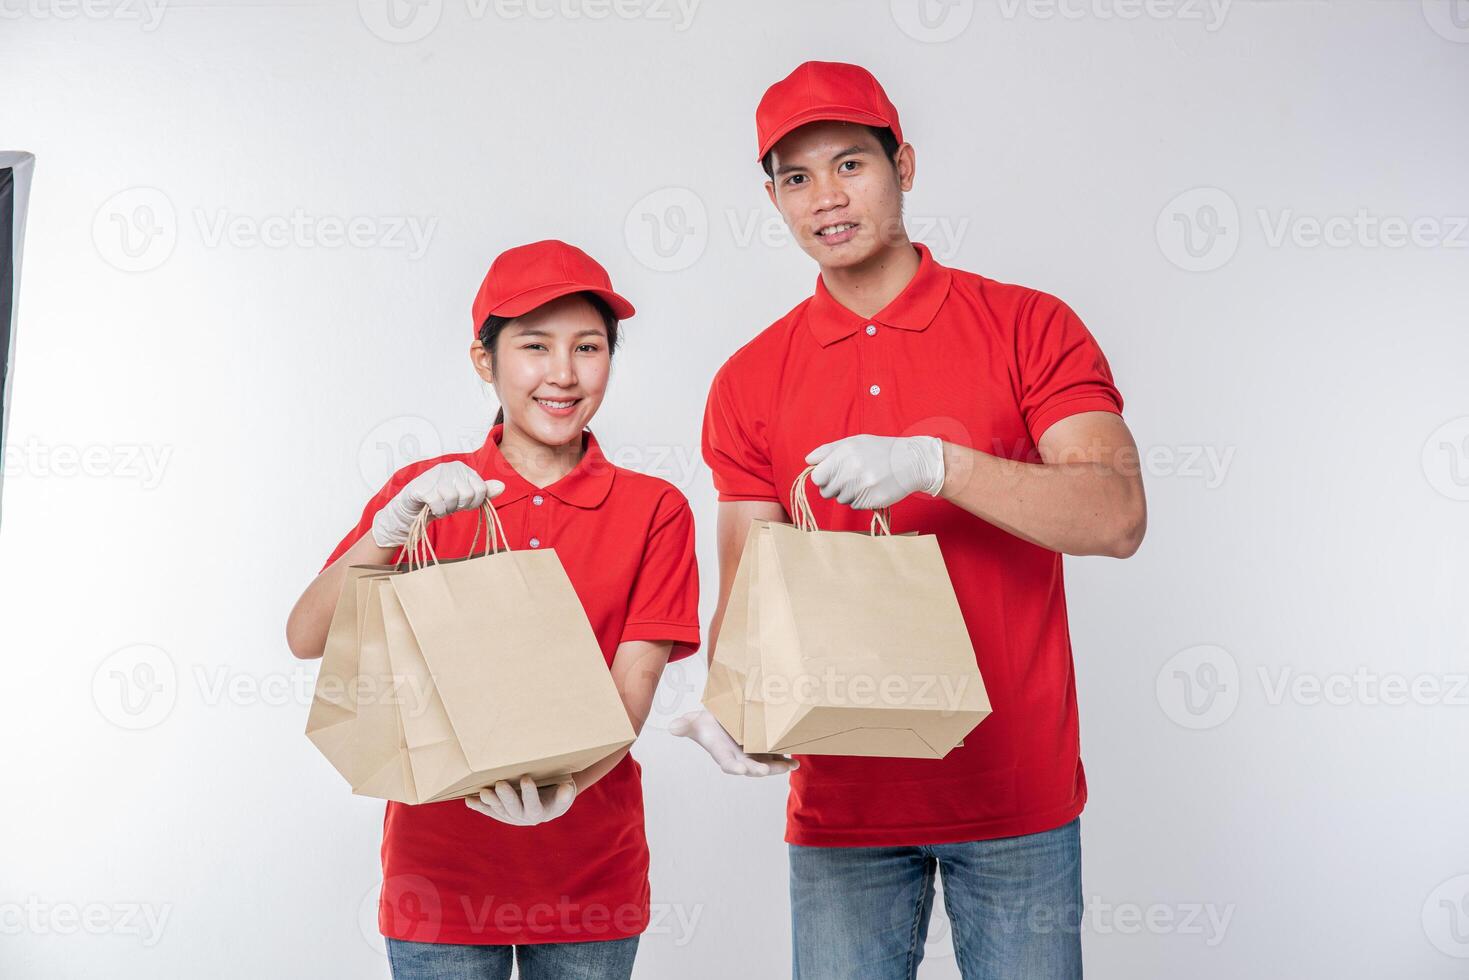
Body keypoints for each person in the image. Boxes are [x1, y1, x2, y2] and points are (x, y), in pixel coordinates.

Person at [671, 62, 1147, 979]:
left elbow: (1115, 514)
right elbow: (751, 580)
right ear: (772, 199)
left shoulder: (1028, 326)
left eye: (851, 164)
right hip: (843, 810)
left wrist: (938, 464)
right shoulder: (748, 378)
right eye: (796, 178)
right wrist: (731, 704)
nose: (826, 198)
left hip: (1016, 797)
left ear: (906, 166)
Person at [286, 239, 700, 980]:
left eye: (589, 346)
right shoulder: (427, 490)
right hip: (437, 883)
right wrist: (387, 533)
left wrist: (565, 788)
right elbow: (306, 636)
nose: (564, 374)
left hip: (588, 886)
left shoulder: (653, 509)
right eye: (535, 347)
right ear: (486, 361)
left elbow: (630, 690)